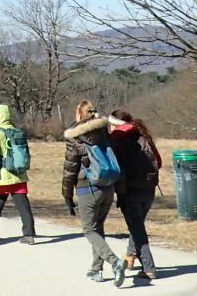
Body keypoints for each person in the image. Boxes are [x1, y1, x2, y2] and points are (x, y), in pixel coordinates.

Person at [63, 100, 126, 287]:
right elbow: (116, 161)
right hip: (108, 187)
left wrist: (67, 196)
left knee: (89, 229)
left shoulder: (75, 135)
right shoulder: (105, 133)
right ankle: (96, 270)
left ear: (78, 113)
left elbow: (70, 169)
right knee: (98, 228)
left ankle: (114, 261)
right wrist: (120, 191)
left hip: (88, 188)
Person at [109, 108, 162, 281]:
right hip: (149, 188)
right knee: (137, 226)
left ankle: (149, 268)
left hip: (130, 190)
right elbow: (158, 162)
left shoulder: (116, 139)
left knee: (137, 229)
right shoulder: (142, 134)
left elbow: (114, 167)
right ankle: (130, 256)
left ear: (116, 125)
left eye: (111, 124)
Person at [0, 104, 36, 244]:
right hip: (19, 174)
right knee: (23, 206)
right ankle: (29, 234)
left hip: (2, 177)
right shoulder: (16, 131)